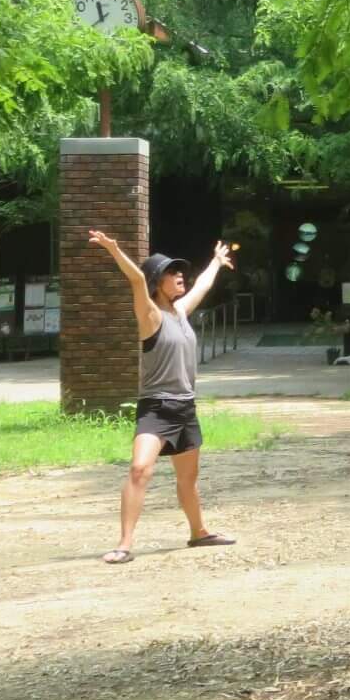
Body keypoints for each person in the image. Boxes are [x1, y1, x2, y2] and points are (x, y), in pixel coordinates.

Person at [86, 230, 237, 565]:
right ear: (157, 282)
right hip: (156, 408)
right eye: (172, 272)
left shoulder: (180, 312)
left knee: (188, 480)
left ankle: (199, 533)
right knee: (140, 469)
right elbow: (137, 279)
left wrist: (215, 262)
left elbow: (202, 286)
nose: (179, 275)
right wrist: (113, 249)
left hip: (185, 407)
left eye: (180, 271)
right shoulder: (150, 316)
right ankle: (124, 545)